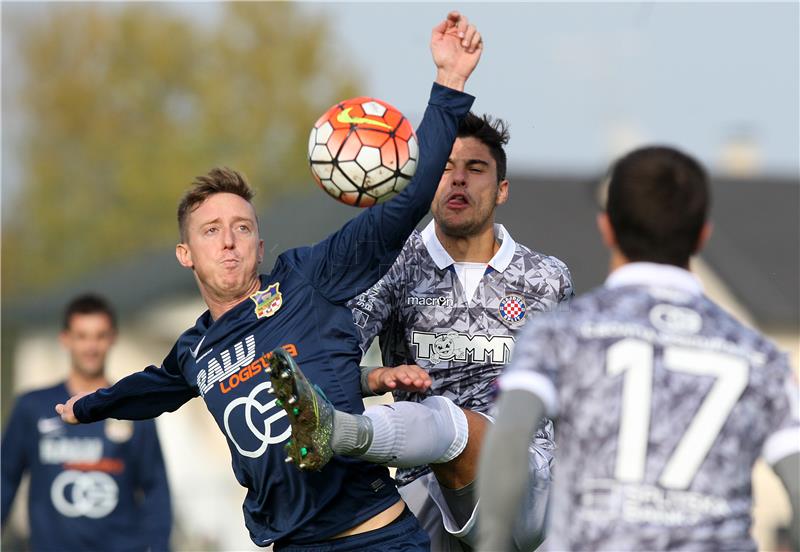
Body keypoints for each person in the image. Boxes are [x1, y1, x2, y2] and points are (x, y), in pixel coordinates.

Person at [55, 11, 482, 551]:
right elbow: (148, 391)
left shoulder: (309, 278)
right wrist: (87, 406)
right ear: (186, 254)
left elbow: (406, 205)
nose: (229, 241)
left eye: (242, 228)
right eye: (212, 231)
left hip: (374, 538)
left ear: (260, 244)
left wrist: (449, 84)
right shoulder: (194, 351)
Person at [477, 146, 800, 551]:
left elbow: (509, 434)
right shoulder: (761, 357)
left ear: (607, 227)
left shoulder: (559, 333)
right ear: (703, 235)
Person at [278, 113, 573, 551]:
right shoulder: (392, 268)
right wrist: (373, 378)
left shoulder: (548, 278)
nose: (457, 181)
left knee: (454, 424)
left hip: (527, 477)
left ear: (502, 189)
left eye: (474, 169)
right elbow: (332, 362)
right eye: (444, 169)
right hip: (424, 481)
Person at [2, 294, 172, 552]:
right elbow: (5, 478)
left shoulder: (134, 408)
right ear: (65, 339)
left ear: (113, 338)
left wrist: (159, 547)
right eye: (82, 336)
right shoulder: (32, 407)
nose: (91, 347)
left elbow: (156, 488)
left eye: (100, 336)